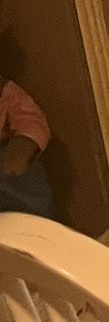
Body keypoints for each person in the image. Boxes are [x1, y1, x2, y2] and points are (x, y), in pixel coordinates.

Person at [0, 75, 54, 218]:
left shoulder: (5, 91)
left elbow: (31, 121)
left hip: (6, 168)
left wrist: (24, 144)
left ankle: (34, 221)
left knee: (25, 177)